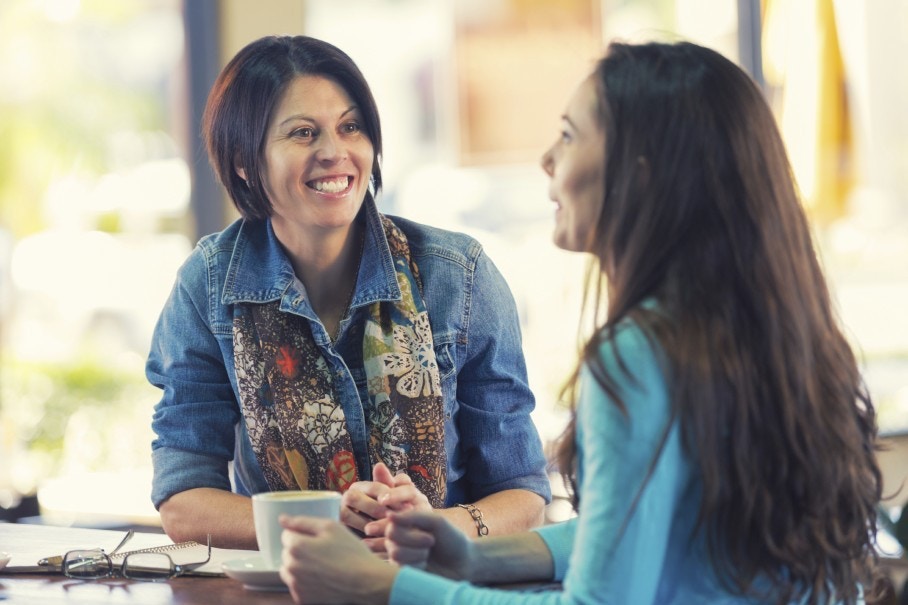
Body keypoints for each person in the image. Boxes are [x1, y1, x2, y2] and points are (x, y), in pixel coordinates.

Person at [276, 40, 884, 604]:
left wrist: (382, 586)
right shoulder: (756, 332)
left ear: (640, 171)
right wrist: (471, 556)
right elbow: (626, 531)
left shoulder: (641, 354)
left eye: (568, 137)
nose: (546, 160)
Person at [146, 35, 550, 550]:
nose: (334, 153)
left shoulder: (459, 276)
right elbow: (183, 500)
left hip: (441, 586)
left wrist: (436, 527)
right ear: (245, 161)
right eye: (303, 133)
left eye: (351, 127)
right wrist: (322, 521)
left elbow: (522, 490)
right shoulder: (207, 285)